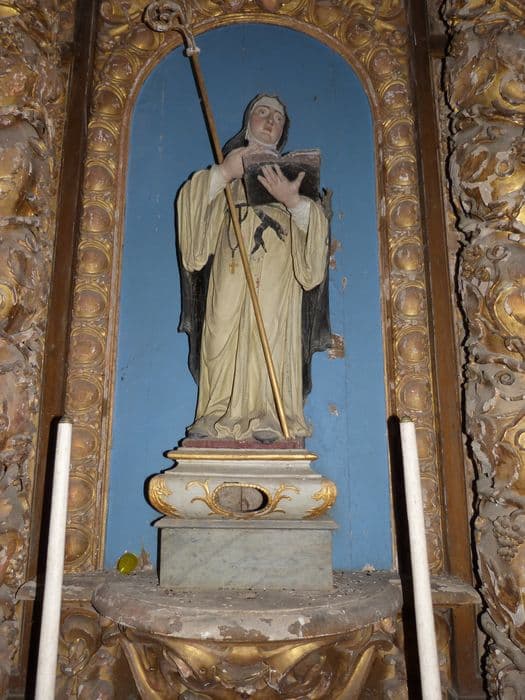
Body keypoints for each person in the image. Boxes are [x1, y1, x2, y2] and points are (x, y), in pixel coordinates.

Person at [177, 94, 330, 443]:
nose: (270, 120)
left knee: (271, 335)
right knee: (221, 332)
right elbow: (193, 208)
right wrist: (224, 173)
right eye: (263, 112)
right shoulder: (228, 169)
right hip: (230, 266)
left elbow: (315, 231)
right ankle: (215, 411)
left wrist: (293, 201)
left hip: (277, 272)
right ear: (248, 123)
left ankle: (269, 413)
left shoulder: (294, 178)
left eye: (278, 116)